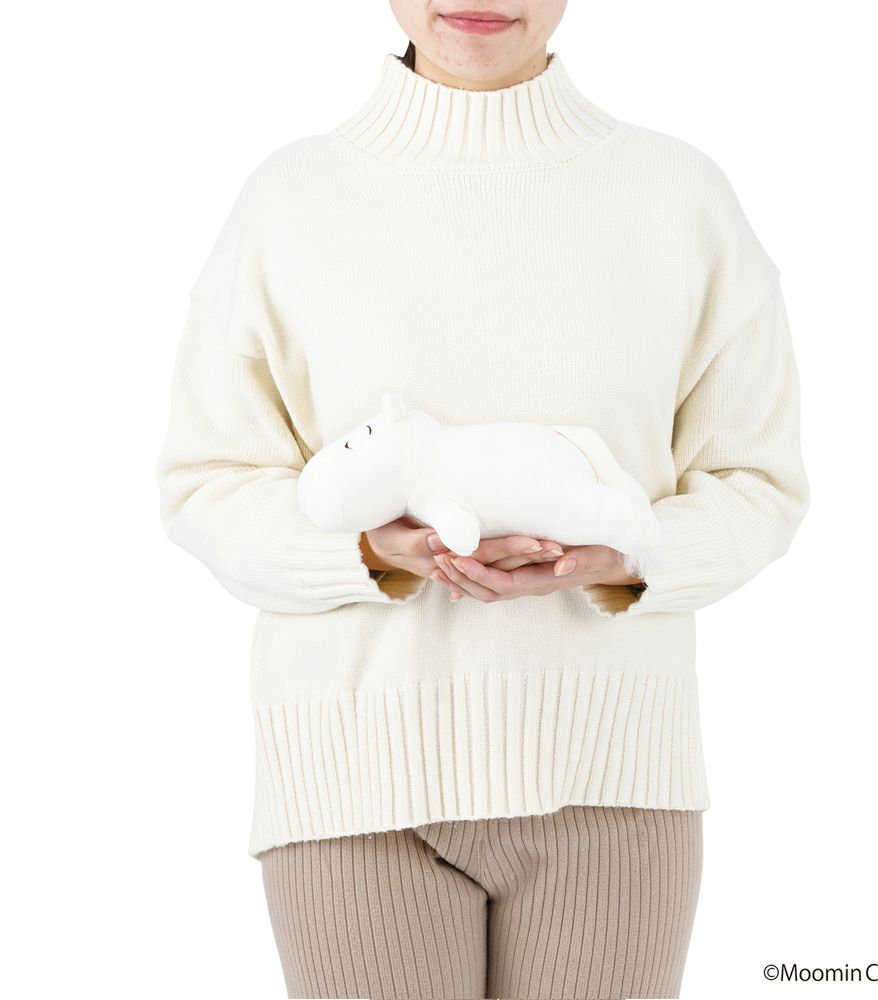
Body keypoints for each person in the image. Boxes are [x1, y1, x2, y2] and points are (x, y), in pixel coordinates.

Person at [154, 1, 810, 997]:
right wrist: (371, 552)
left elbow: (757, 483)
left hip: (615, 780)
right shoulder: (292, 199)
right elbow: (207, 482)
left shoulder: (676, 196)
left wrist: (626, 554)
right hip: (354, 787)